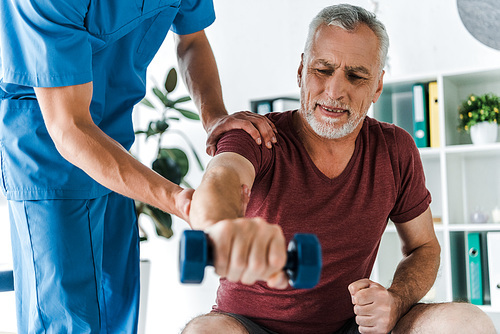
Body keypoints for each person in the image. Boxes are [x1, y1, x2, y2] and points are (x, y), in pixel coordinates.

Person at [182, 4, 496, 334]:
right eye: (323, 70)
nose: (335, 91)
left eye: (356, 76)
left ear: (377, 86)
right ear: (301, 70)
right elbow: (223, 178)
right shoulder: (255, 135)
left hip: (349, 327)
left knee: (466, 323)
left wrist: (396, 300)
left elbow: (424, 248)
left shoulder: (395, 149)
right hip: (246, 325)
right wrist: (223, 226)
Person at [0, 0, 277, 332]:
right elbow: (69, 127)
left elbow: (192, 40)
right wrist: (178, 200)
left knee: (119, 308)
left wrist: (215, 116)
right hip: (45, 151)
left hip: (117, 147)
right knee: (67, 320)